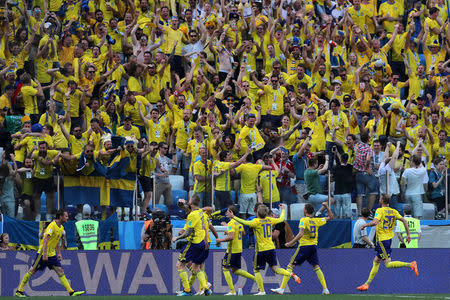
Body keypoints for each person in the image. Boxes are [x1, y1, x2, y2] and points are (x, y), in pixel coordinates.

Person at [226, 203, 300, 295]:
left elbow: (244, 222)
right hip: (271, 248)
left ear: (257, 213)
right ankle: (290, 274)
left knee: (256, 270)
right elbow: (281, 219)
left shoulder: (256, 222)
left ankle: (262, 291)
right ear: (266, 213)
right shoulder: (270, 220)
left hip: (261, 250)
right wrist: (283, 209)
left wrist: (233, 217)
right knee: (275, 269)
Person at [15, 209, 85, 297]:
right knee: (32, 270)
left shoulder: (61, 228)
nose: (68, 218)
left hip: (52, 254)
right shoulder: (52, 226)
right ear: (61, 217)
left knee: (60, 271)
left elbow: (57, 242)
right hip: (42, 253)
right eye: (66, 216)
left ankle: (71, 292)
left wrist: (59, 253)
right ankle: (19, 290)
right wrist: (44, 254)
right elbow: (45, 240)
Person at [356, 195, 419, 292]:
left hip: (382, 241)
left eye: (380, 198)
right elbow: (404, 221)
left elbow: (375, 222)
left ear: (381, 201)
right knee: (376, 261)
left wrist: (365, 225)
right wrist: (408, 235)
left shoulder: (379, 211)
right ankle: (366, 284)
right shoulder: (394, 211)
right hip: (387, 240)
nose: (379, 199)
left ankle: (410, 264)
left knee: (387, 264)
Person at [271, 202, 333, 295]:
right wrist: (327, 207)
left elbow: (300, 233)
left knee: (290, 266)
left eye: (304, 208)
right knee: (316, 267)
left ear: (305, 210)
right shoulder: (317, 220)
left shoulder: (303, 220)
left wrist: (290, 243)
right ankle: (325, 289)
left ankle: (282, 289)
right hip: (313, 247)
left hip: (304, 247)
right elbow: (331, 217)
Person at [172, 196, 210, 296]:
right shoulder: (200, 212)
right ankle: (206, 287)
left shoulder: (192, 215)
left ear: (191, 203)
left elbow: (188, 232)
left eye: (189, 201)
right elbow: (185, 207)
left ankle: (187, 290)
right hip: (201, 242)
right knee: (196, 267)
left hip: (193, 243)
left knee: (180, 265)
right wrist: (180, 203)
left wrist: (177, 238)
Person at [215, 205, 256, 295]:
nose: (226, 213)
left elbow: (231, 237)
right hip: (239, 249)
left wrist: (219, 240)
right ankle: (255, 278)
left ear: (231, 212)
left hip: (232, 250)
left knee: (225, 268)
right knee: (235, 270)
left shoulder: (230, 223)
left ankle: (232, 291)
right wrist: (229, 231)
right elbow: (243, 233)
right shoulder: (238, 222)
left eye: (228, 211)